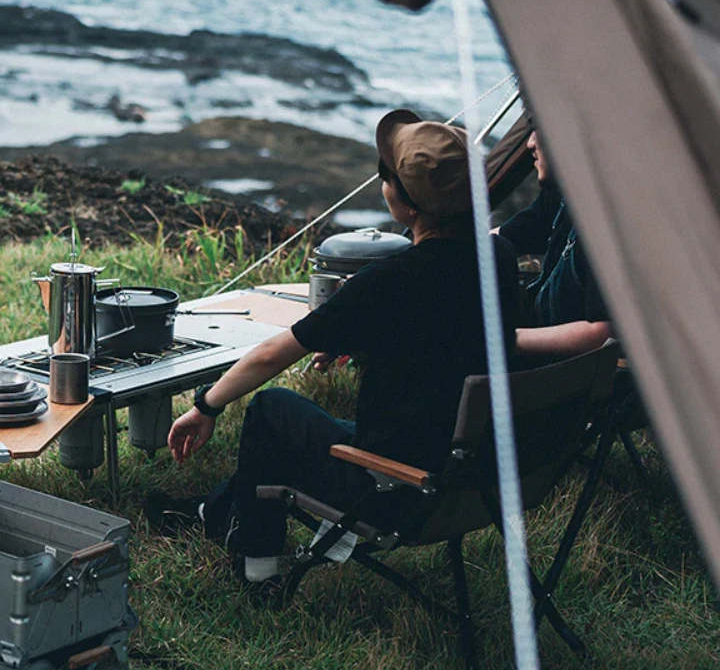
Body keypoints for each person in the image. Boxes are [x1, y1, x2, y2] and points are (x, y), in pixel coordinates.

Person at [155, 109, 519, 599]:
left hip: (394, 484)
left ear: (406, 204)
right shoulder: (498, 259)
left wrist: (205, 406)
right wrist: (365, 336)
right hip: (469, 467)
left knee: (272, 410)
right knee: (294, 435)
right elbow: (444, 331)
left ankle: (258, 571)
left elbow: (271, 356)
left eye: (385, 176)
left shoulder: (390, 281)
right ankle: (208, 512)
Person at [498, 128, 613, 358]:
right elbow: (508, 235)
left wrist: (505, 340)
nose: (530, 143)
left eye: (540, 126)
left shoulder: (607, 222)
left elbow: (603, 332)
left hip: (565, 379)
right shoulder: (562, 191)